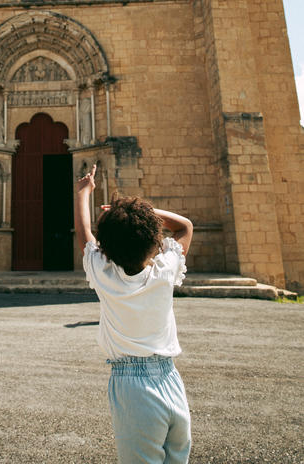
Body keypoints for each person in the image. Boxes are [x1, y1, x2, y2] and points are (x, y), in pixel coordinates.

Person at [75, 163, 194, 464]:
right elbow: (185, 228)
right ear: (154, 239)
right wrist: (143, 213)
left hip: (133, 388)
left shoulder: (105, 277)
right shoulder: (165, 272)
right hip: (171, 379)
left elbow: (85, 232)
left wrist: (84, 192)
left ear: (106, 249)